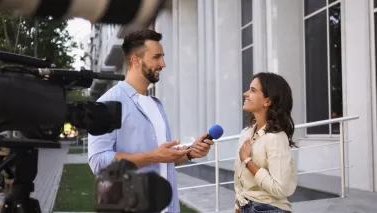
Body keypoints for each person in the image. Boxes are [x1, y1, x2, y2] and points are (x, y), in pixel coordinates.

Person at [88, 29, 214, 213]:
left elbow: (163, 158)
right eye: (157, 57)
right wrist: (153, 156)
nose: (163, 63)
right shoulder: (107, 104)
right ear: (136, 60)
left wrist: (189, 153)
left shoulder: (157, 104)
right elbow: (98, 162)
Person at [234, 72, 298, 213]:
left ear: (267, 101)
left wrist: (247, 161)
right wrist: (238, 204)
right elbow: (241, 181)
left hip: (269, 208)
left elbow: (280, 189)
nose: (246, 93)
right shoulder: (246, 133)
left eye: (253, 90)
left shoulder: (276, 138)